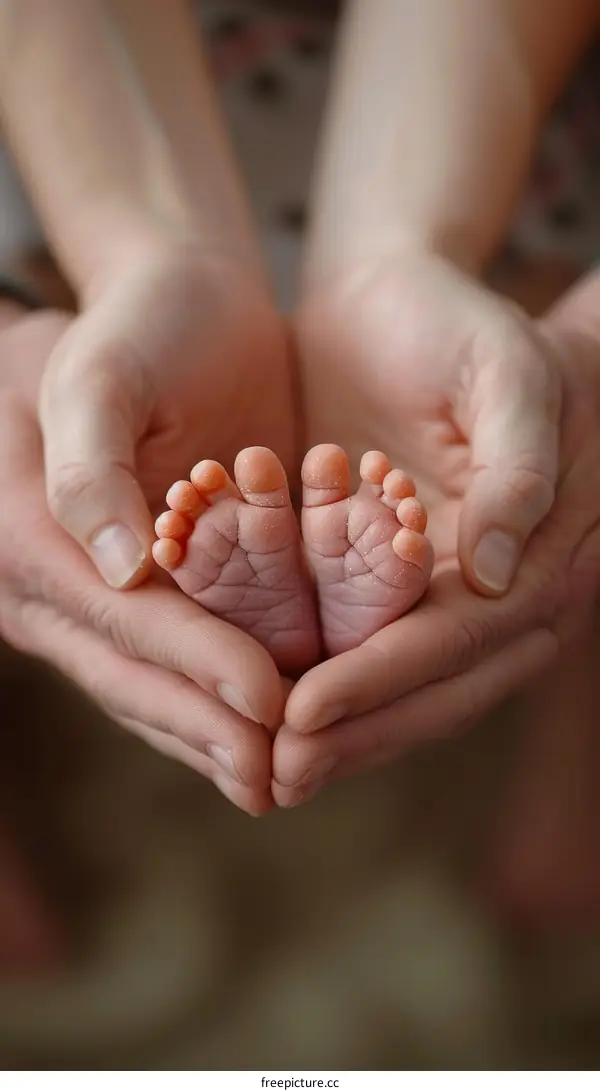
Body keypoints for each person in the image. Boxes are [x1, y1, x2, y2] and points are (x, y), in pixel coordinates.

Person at [0, 0, 599, 951]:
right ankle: (572, 754)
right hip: (76, 114)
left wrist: (404, 255)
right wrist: (148, 251)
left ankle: (573, 734)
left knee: (549, 437)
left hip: (469, 95)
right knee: (523, 459)